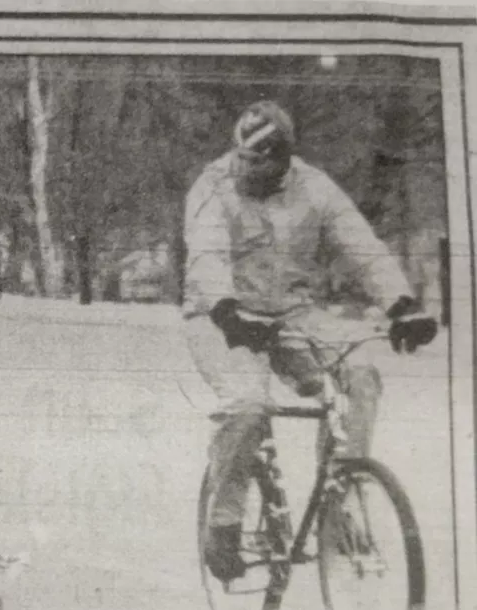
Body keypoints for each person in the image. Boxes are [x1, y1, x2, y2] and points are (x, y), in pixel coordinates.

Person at [183, 101, 438, 583]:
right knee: (248, 407)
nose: (248, 171)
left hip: (291, 314)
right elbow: (206, 256)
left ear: (285, 159)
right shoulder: (212, 187)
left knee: (361, 376)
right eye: (242, 159)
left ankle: (338, 504)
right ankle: (223, 521)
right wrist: (225, 311)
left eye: (261, 163)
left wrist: (402, 306)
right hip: (220, 317)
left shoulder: (314, 188)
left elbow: (361, 246)